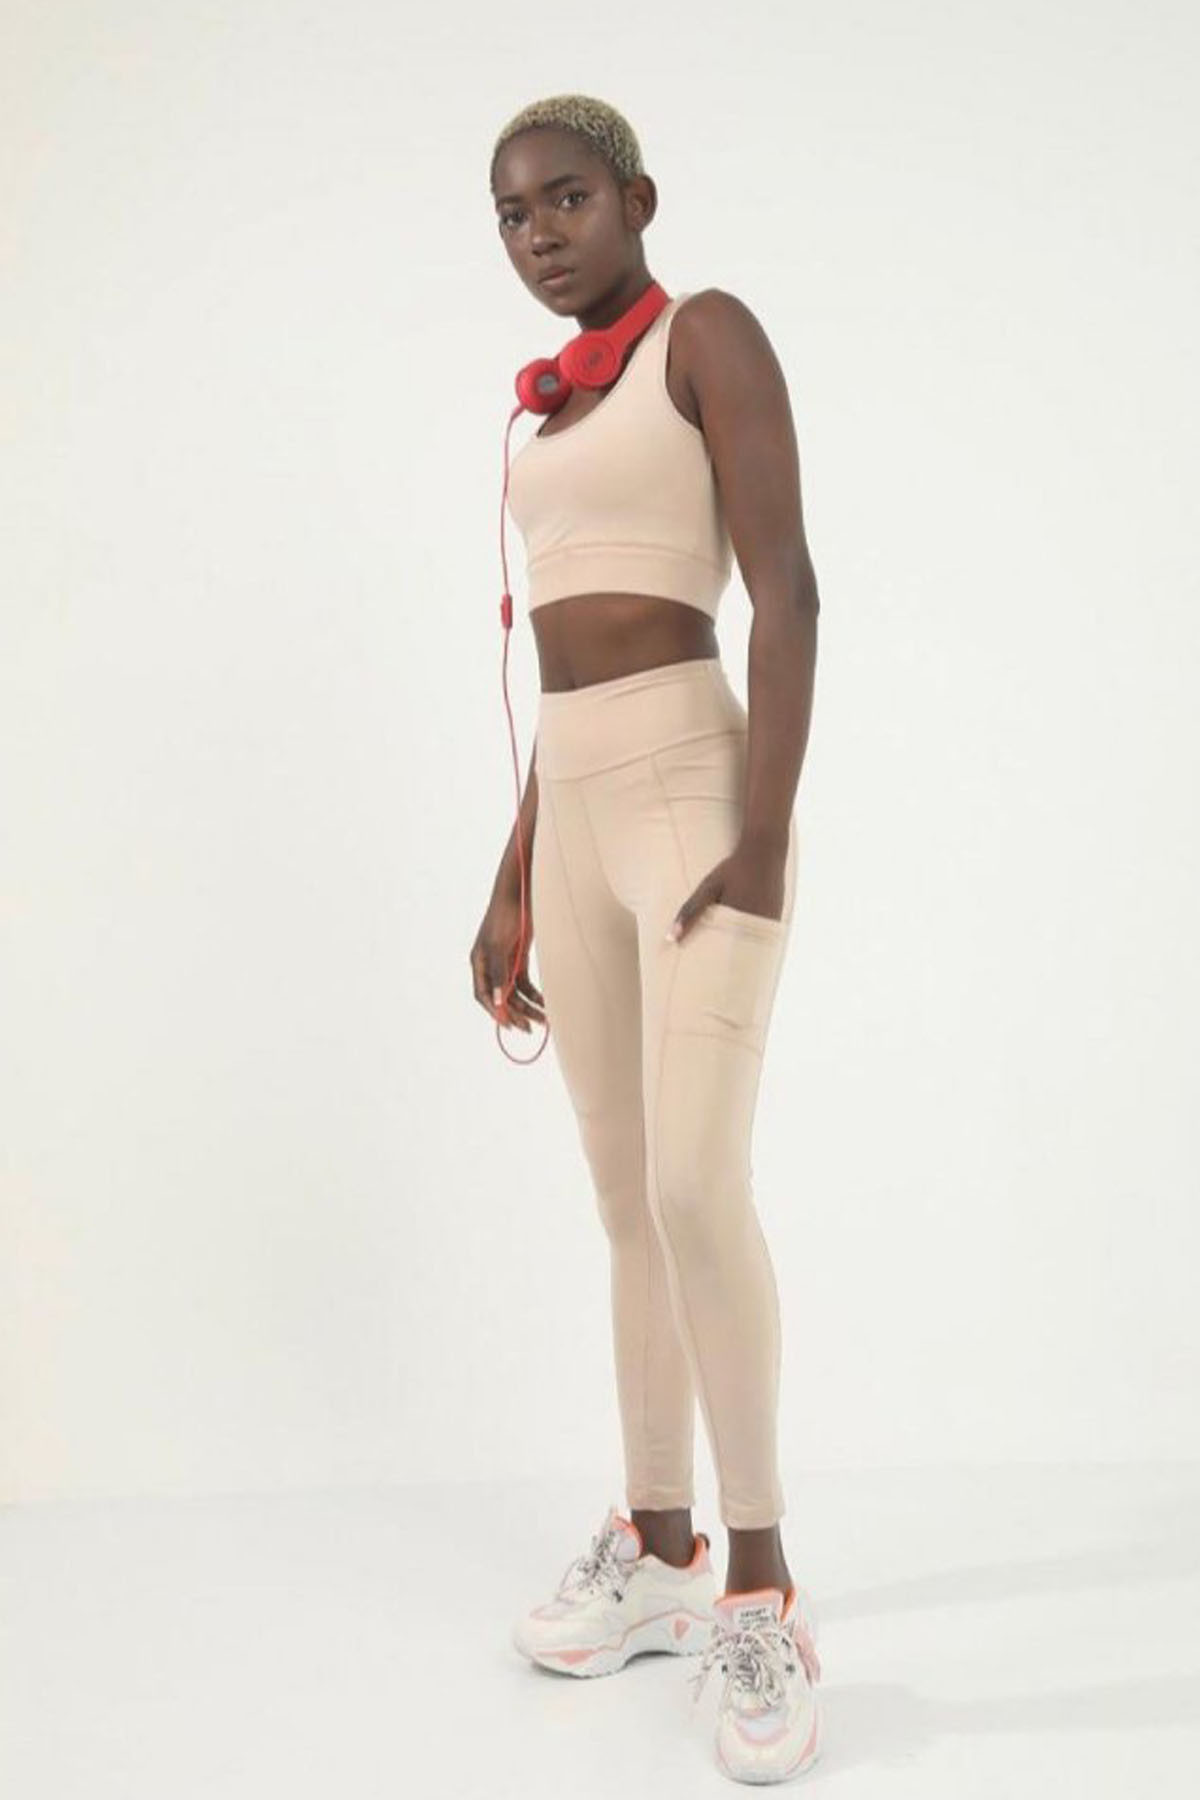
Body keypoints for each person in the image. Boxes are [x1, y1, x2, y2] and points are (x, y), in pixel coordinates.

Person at [472, 93, 823, 1783]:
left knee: (695, 1184)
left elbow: (789, 592)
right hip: (580, 811)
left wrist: (764, 837)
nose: (541, 233)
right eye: (513, 215)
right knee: (625, 1202)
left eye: (567, 198)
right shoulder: (541, 412)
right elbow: (559, 669)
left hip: (697, 796)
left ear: (637, 199)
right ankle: (662, 1540)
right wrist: (515, 872)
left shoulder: (708, 337)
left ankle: (761, 1580)